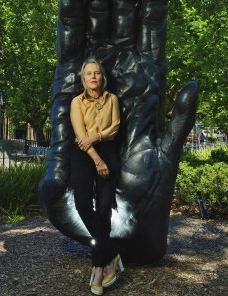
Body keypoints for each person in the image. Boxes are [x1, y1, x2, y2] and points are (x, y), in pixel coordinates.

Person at [70, 58, 124, 295]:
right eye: (88, 74)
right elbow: (80, 135)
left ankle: (99, 268)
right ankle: (112, 253)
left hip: (107, 150)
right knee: (82, 204)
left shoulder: (112, 99)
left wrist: (96, 138)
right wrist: (96, 158)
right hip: (84, 154)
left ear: (102, 77)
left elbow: (115, 126)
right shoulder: (76, 102)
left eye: (97, 73)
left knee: (103, 211)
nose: (93, 77)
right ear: (84, 79)